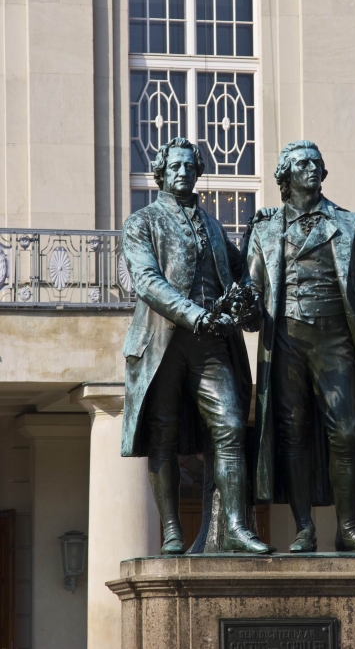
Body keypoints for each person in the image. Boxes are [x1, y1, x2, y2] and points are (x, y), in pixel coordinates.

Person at [244, 140, 355, 553]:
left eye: (317, 162)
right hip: (286, 339)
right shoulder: (265, 228)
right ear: (285, 175)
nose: (312, 168)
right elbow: (252, 288)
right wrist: (243, 307)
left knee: (347, 429)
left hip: (336, 337)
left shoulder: (348, 223)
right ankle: (304, 527)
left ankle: (347, 526)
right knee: (293, 432)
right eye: (303, 163)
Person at [121, 136, 270, 555]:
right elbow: (148, 282)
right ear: (162, 173)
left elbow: (242, 276)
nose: (184, 172)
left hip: (212, 342)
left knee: (230, 426)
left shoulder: (214, 226)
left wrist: (263, 230)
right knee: (163, 434)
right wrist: (194, 314)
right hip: (162, 342)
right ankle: (171, 529)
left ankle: (237, 527)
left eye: (190, 166)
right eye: (176, 167)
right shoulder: (142, 222)